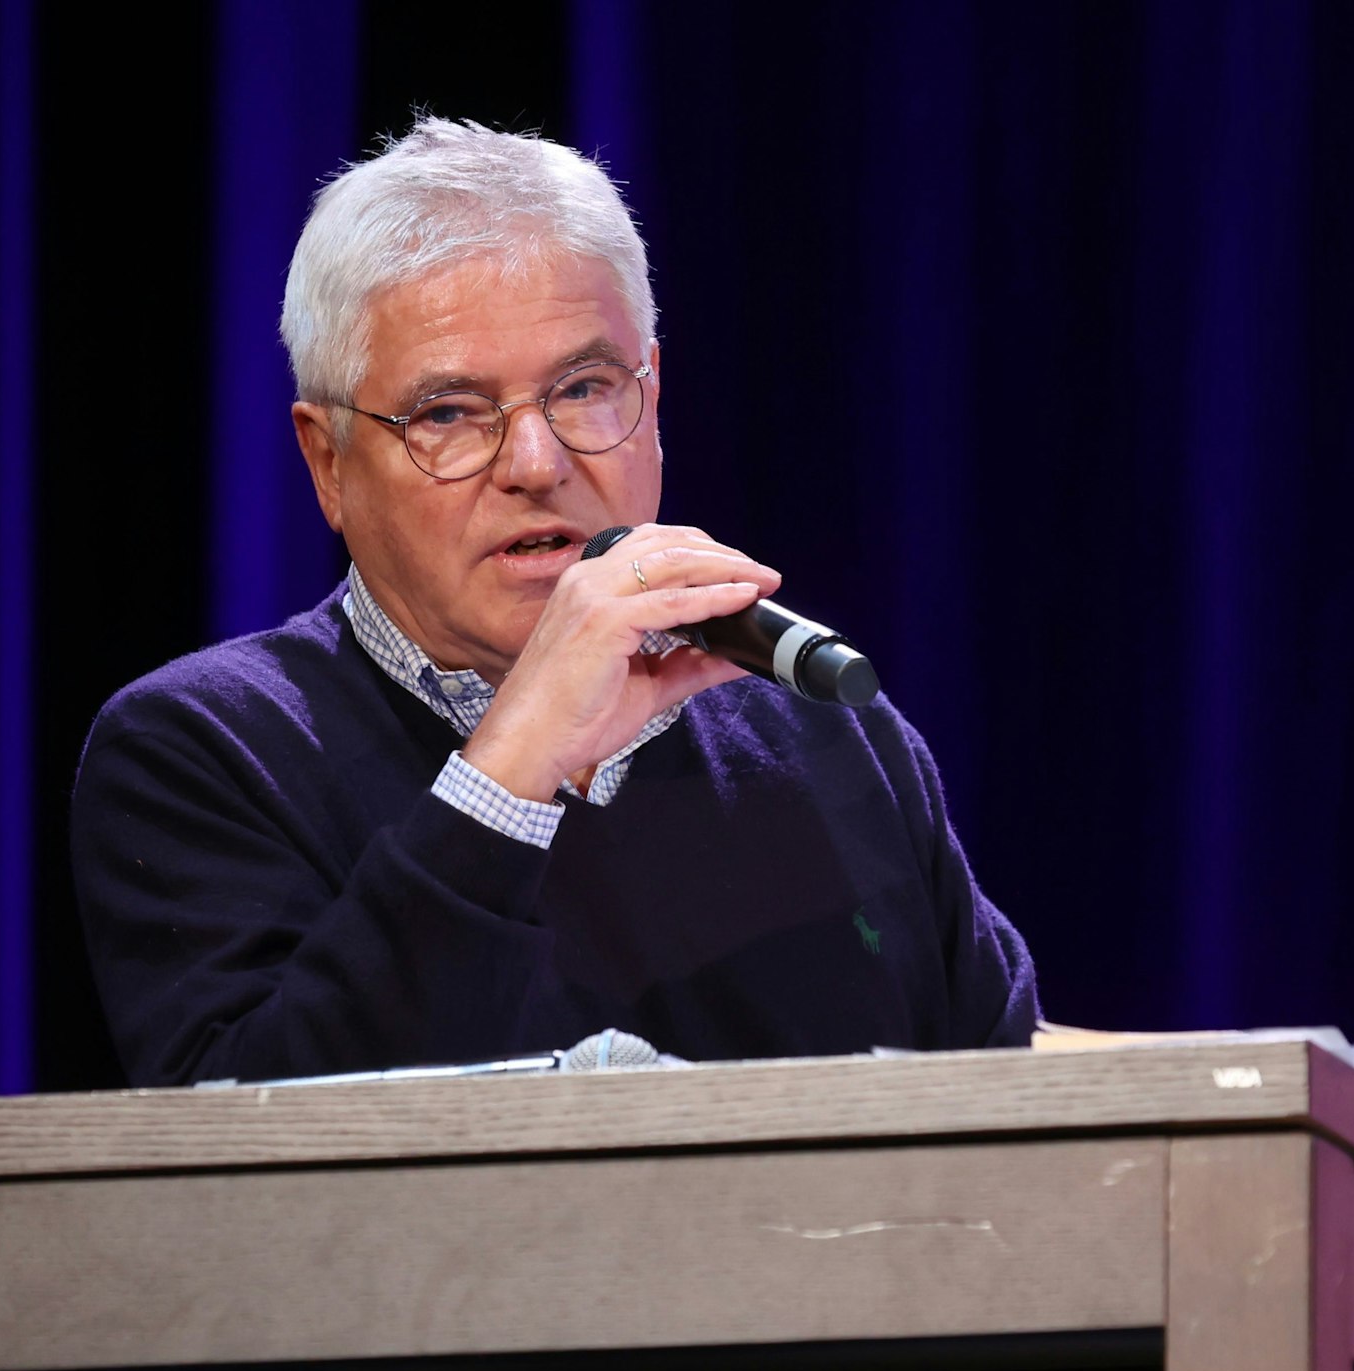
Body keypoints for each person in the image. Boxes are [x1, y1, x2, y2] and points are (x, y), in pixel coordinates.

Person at [71, 118, 1037, 1087]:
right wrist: (516, 761)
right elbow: (256, 1160)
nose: (536, 465)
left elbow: (1000, 1096)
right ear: (328, 461)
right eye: (447, 413)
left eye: (582, 389)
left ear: (651, 406)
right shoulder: (202, 751)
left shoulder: (823, 732)